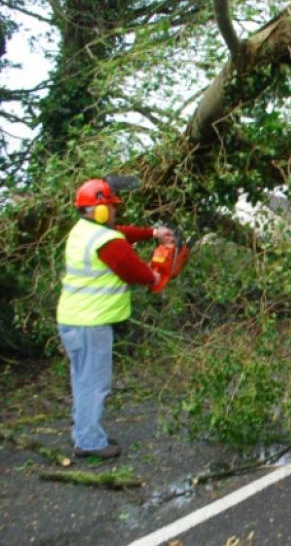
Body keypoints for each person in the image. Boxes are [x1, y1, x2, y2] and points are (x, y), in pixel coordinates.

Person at [56, 177, 174, 459]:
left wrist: (153, 233)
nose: (115, 210)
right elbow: (133, 270)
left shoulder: (84, 230)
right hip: (90, 322)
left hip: (74, 320)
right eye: (111, 206)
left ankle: (85, 433)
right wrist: (155, 276)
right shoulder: (105, 241)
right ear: (99, 210)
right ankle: (89, 441)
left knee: (82, 380)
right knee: (94, 384)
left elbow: (122, 233)